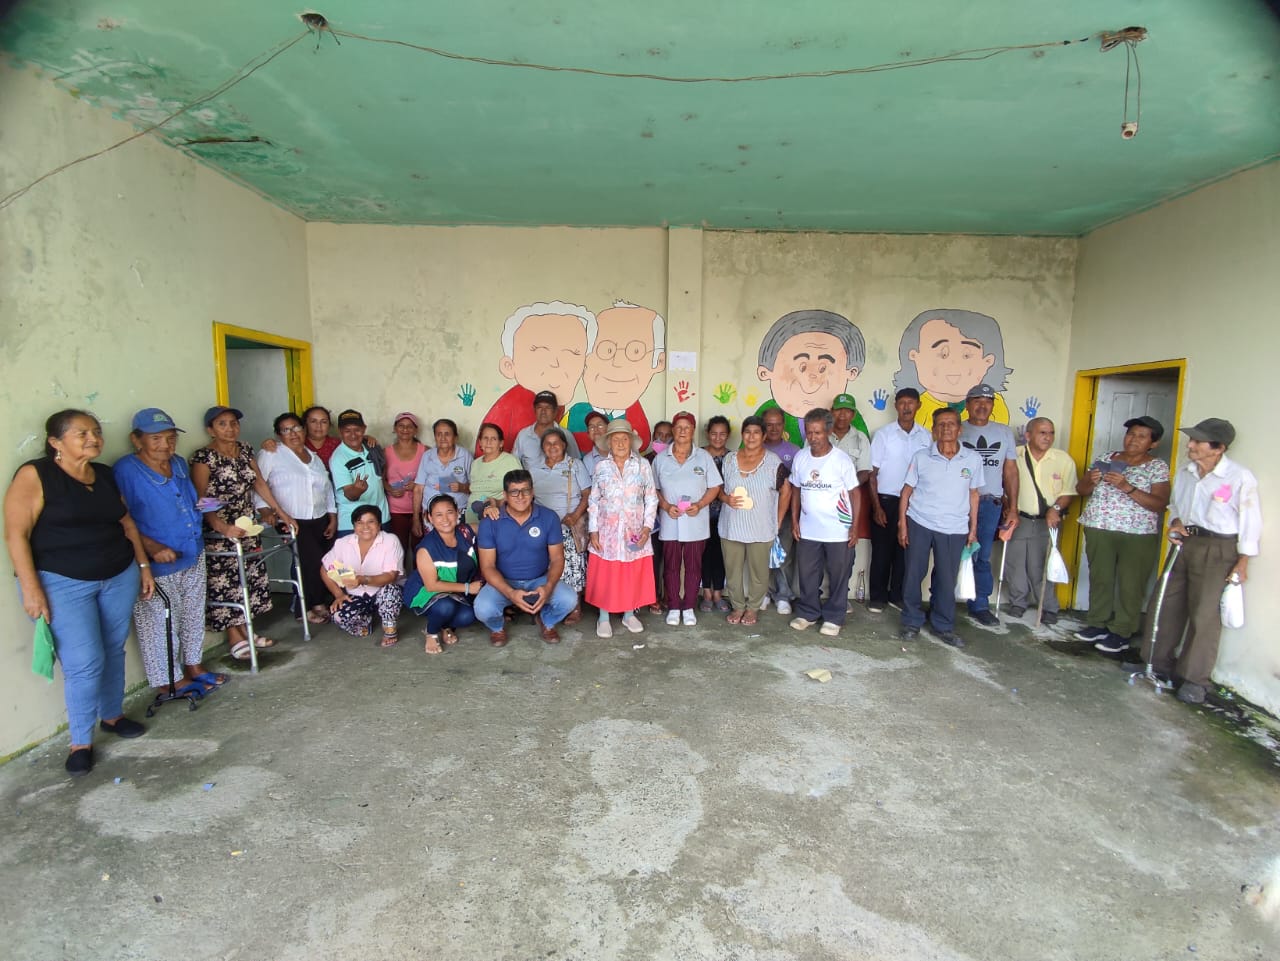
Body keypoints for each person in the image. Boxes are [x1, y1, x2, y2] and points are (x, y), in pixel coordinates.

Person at [4, 410, 156, 776]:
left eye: (96, 432)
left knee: (113, 648)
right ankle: (80, 742)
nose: (93, 438)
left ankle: (112, 716)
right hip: (63, 581)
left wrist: (142, 566)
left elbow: (126, 523)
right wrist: (31, 588)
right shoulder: (36, 475)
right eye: (82, 433)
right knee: (84, 662)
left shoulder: (102, 474)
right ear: (55, 442)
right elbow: (16, 534)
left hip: (118, 574)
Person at [1136, 418, 1261, 703]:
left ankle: (1194, 679)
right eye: (1191, 440)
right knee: (1165, 603)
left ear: (1219, 448)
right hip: (1185, 542)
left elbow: (1250, 521)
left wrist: (1243, 561)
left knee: (1205, 614)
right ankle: (1155, 664)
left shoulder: (1238, 477)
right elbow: (1176, 506)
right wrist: (1176, 523)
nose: (1190, 445)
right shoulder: (1186, 471)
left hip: (1219, 548)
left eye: (1197, 441)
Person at [114, 408, 223, 699]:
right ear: (136, 440)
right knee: (160, 622)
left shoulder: (177, 463)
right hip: (157, 562)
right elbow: (122, 518)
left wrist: (220, 510)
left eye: (171, 438)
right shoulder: (126, 470)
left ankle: (194, 665)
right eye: (156, 438)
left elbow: (192, 500)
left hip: (192, 551)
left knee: (192, 614)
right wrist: (151, 547)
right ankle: (168, 681)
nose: (166, 444)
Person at [190, 405, 295, 661]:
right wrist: (221, 526)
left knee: (248, 578)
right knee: (227, 583)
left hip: (247, 524)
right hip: (221, 529)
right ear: (210, 430)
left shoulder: (245, 449)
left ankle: (248, 631)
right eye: (222, 424)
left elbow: (259, 483)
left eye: (233, 423)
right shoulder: (204, 457)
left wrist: (281, 513)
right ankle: (235, 637)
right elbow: (201, 498)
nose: (230, 428)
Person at [1074, 416, 1171, 654]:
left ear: (1153, 443)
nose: (1133, 440)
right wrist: (1091, 480)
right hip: (1100, 527)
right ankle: (1097, 623)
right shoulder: (1107, 458)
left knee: (1131, 583)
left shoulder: (1156, 467)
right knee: (1101, 578)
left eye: (1141, 436)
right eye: (1131, 434)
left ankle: (1122, 631)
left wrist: (1127, 487)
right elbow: (1081, 489)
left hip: (1137, 533)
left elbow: (1160, 503)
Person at [897, 408, 982, 647]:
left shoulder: (972, 459)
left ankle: (943, 625)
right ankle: (911, 621)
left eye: (951, 424)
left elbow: (974, 495)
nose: (946, 428)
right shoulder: (921, 457)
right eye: (941, 424)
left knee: (946, 578)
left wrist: (973, 528)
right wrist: (902, 524)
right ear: (934, 430)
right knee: (914, 574)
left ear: (959, 429)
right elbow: (906, 492)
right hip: (920, 522)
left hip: (955, 527)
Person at [475, 470, 578, 646]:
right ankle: (497, 627)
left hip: (539, 580)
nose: (521, 496)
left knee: (569, 599)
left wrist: (548, 587)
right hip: (503, 581)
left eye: (525, 490)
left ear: (533, 492)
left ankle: (546, 620)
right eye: (514, 492)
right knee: (482, 608)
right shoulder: (490, 522)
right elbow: (487, 567)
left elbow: (557, 559)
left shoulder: (548, 517)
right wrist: (510, 593)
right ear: (505, 495)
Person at [478, 301, 597, 454]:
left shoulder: (566, 431)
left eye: (571, 353)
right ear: (509, 365)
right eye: (541, 353)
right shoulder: (515, 414)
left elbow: (573, 463)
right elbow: (507, 462)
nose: (555, 363)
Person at [256, 411, 337, 626]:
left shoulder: (314, 457)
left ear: (304, 429)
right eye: (286, 430)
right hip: (291, 519)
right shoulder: (271, 454)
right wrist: (264, 511)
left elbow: (327, 489)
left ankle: (318, 602)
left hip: (319, 517)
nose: (293, 433)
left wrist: (332, 517)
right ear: (278, 434)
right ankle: (303, 609)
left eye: (296, 428)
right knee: (309, 561)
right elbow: (258, 483)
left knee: (323, 560)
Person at [788, 408, 859, 637]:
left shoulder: (841, 460)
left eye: (818, 432)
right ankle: (808, 613)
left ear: (828, 431)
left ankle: (834, 617)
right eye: (809, 432)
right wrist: (795, 520)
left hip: (838, 529)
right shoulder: (801, 457)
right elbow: (796, 490)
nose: (813, 437)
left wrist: (855, 527)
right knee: (808, 573)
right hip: (809, 528)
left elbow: (855, 493)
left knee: (839, 575)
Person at [753, 309, 869, 449]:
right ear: (765, 372)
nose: (812, 378)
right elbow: (748, 448)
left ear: (851, 372)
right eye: (802, 366)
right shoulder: (770, 411)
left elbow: (865, 453)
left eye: (823, 368)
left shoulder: (846, 413)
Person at [586, 420, 658, 638]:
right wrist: (593, 530)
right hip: (606, 531)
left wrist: (647, 527)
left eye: (624, 439)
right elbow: (594, 500)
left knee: (630, 572)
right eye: (615, 439)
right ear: (608, 442)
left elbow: (651, 498)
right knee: (606, 573)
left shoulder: (642, 465)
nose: (620, 443)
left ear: (631, 441)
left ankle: (629, 614)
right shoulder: (601, 467)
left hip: (634, 531)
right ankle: (603, 617)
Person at [717, 415, 790, 626]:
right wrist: (726, 499)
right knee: (733, 571)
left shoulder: (773, 462)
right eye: (747, 432)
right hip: (731, 526)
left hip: (761, 528)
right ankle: (738, 606)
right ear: (742, 435)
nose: (751, 436)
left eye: (756, 432)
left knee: (759, 573)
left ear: (764, 436)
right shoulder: (729, 460)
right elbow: (717, 488)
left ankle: (752, 608)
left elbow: (786, 491)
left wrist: (777, 520)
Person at [653, 412, 724, 626]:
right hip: (670, 521)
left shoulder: (703, 457)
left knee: (694, 567)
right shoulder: (661, 458)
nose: (683, 431)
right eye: (679, 427)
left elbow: (715, 487)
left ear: (693, 431)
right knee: (671, 567)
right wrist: (666, 506)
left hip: (696, 522)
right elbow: (653, 489)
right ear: (673, 430)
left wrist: (700, 505)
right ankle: (674, 606)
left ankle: (689, 606)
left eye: (687, 427)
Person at [568, 300, 666, 453]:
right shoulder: (575, 412)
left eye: (635, 351)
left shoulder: (635, 416)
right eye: (606, 350)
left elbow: (643, 443)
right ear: (585, 358)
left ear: (659, 362)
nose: (618, 363)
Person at [1005, 417, 1077, 623]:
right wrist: (1007, 508)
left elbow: (1069, 491)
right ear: (1028, 435)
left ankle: (1048, 607)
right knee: (1015, 564)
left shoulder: (1063, 459)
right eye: (1042, 432)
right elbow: (1004, 484)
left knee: (1042, 565)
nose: (1048, 437)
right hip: (1019, 518)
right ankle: (1018, 603)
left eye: (1051, 433)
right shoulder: (1014, 455)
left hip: (1047, 520)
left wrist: (1056, 508)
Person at [959, 383, 1020, 627]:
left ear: (993, 405)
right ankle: (941, 602)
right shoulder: (956, 429)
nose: (982, 406)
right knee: (948, 554)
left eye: (987, 401)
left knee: (982, 556)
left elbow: (1011, 471)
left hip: (989, 504)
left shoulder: (1004, 433)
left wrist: (1013, 507)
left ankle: (980, 605)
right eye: (977, 400)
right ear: (967, 404)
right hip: (958, 502)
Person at [892, 308, 1013, 428]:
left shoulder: (993, 403)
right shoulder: (919, 406)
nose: (954, 363)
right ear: (915, 356)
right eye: (943, 354)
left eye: (966, 355)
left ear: (988, 361)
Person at [867, 388, 931, 613]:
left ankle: (897, 595)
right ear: (896, 406)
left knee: (905, 551)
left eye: (911, 403)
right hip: (886, 500)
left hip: (915, 503)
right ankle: (877, 597)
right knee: (881, 551)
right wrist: (876, 507)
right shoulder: (883, 435)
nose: (906, 407)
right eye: (902, 403)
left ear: (918, 405)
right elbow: (872, 474)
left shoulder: (926, 437)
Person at [403, 495, 484, 654]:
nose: (445, 519)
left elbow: (493, 527)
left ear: (458, 513)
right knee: (445, 607)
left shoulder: (466, 532)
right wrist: (468, 588)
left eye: (449, 512)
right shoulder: (426, 548)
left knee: (467, 616)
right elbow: (431, 585)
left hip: (455, 591)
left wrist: (492, 508)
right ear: (429, 518)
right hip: (426, 592)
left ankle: (443, 626)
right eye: (438, 515)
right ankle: (431, 633)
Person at [528, 427, 590, 622]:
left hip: (568, 526)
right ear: (542, 447)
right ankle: (546, 604)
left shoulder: (575, 465)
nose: (552, 446)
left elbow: (587, 494)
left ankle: (575, 606)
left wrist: (575, 515)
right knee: (545, 568)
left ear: (564, 445)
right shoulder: (534, 470)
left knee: (571, 568)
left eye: (556, 443)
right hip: (542, 529)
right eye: (548, 443)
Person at [321, 505, 404, 645]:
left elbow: (391, 576)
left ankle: (389, 629)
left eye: (371, 521)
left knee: (391, 590)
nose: (365, 527)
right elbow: (325, 568)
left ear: (379, 524)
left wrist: (363, 579)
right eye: (360, 522)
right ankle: (366, 624)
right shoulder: (343, 543)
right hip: (357, 595)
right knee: (338, 616)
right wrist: (338, 594)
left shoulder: (390, 540)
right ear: (354, 526)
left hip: (381, 592)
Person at [761, 406, 802, 614]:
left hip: (784, 512)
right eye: (769, 424)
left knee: (783, 554)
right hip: (760, 513)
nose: (774, 428)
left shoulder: (794, 451)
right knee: (761, 554)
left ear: (784, 425)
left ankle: (783, 595)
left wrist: (793, 516)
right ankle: (764, 593)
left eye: (778, 424)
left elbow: (796, 487)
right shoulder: (756, 449)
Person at [330, 409, 389, 538]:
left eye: (357, 430)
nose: (353, 435)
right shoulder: (338, 458)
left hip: (381, 516)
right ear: (340, 432)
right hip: (355, 523)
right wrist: (357, 490)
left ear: (364, 429)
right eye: (347, 431)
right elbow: (349, 495)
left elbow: (382, 472)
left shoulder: (371, 447)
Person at [412, 418, 473, 535]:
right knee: (434, 544)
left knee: (458, 542)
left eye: (447, 434)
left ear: (455, 437)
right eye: (439, 434)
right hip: (432, 515)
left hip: (458, 513)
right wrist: (415, 519)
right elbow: (418, 489)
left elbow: (476, 487)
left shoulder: (465, 456)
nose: (443, 438)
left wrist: (462, 487)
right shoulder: (427, 456)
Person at [700, 415, 732, 612]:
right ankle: (706, 593)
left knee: (721, 554)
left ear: (728, 435)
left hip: (725, 514)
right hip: (701, 513)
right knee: (704, 554)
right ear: (707, 434)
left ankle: (718, 592)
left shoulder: (733, 458)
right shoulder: (698, 455)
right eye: (714, 434)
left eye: (722, 434)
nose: (718, 438)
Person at [384, 412, 427, 555]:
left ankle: (419, 571)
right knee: (397, 551)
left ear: (416, 430)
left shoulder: (425, 451)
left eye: (409, 426)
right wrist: (389, 489)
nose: (405, 429)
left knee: (420, 550)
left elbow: (433, 479)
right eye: (401, 426)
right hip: (396, 510)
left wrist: (417, 485)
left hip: (420, 509)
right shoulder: (386, 452)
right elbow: (381, 479)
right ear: (395, 428)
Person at [645, 419, 675, 613]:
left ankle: (669, 595)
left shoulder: (677, 459)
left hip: (673, 517)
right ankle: (653, 595)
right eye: (659, 435)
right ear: (653, 436)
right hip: (652, 520)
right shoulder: (644, 461)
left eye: (667, 435)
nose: (663, 439)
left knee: (671, 559)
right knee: (653, 559)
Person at [467, 423, 522, 523]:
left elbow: (520, 492)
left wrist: (498, 503)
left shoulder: (510, 461)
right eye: (485, 438)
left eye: (494, 439)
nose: (489, 442)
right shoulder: (475, 463)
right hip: (471, 519)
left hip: (496, 519)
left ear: (501, 443)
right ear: (480, 442)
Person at [513, 391, 562, 471]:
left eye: (548, 407)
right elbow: (514, 464)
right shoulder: (523, 435)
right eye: (539, 407)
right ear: (534, 410)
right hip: (530, 479)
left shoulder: (566, 435)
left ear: (555, 411)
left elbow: (574, 465)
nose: (543, 411)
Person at [580, 410, 610, 476]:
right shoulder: (587, 460)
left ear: (609, 429)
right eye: (591, 427)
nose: (596, 430)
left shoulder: (621, 452)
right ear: (588, 434)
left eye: (600, 425)